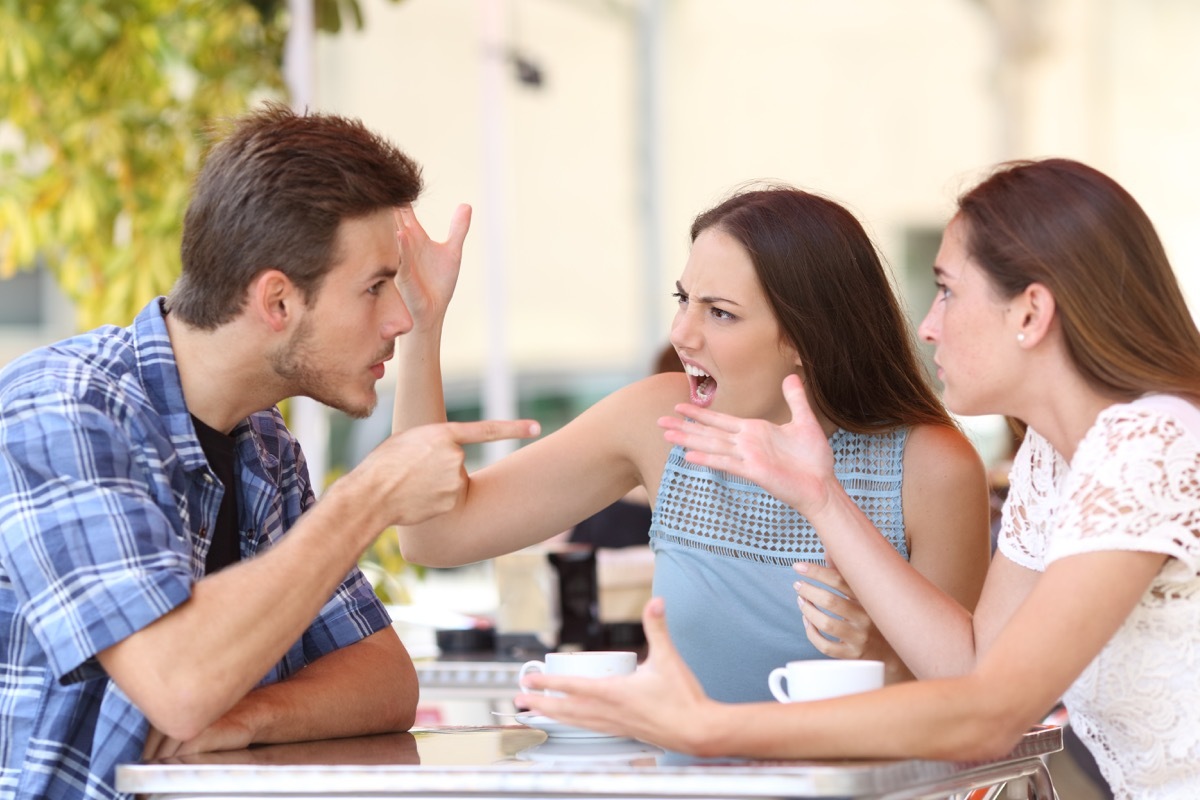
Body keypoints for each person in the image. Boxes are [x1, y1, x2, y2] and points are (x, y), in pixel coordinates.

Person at [517, 159, 1200, 800]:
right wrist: (820, 495)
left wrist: (707, 727)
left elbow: (990, 713)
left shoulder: (1149, 443)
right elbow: (969, 666)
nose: (928, 327)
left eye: (946, 291)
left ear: (1029, 313)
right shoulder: (1053, 459)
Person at [0, 103, 537, 799]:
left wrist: (251, 717)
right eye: (376, 287)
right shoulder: (63, 408)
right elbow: (178, 683)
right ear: (277, 301)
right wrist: (369, 496)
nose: (400, 319)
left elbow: (384, 681)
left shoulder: (263, 445)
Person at [392, 185, 991, 701]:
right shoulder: (662, 417)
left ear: (809, 338)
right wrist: (422, 325)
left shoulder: (930, 466)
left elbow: (967, 707)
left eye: (720, 313)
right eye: (684, 300)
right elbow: (434, 534)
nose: (681, 333)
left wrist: (883, 657)